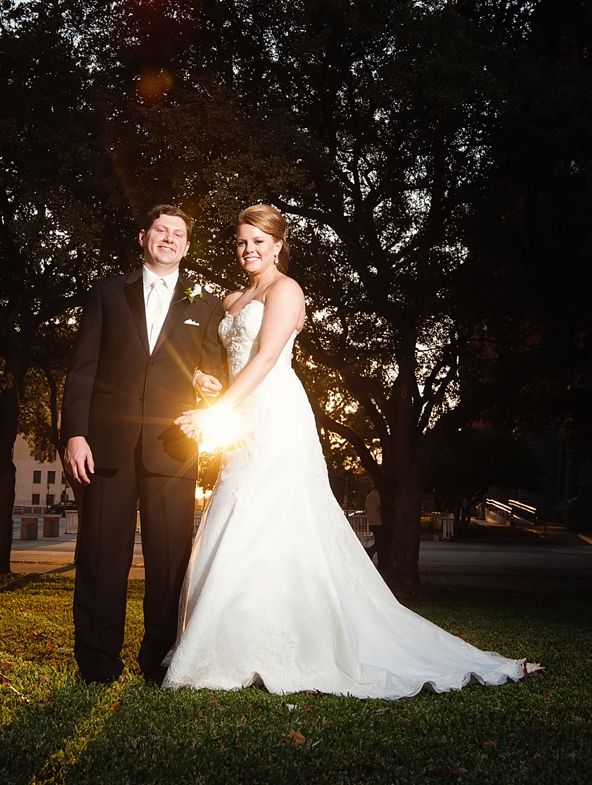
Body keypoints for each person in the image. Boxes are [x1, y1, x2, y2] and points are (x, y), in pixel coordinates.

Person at [167, 204, 536, 698]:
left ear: (278, 245)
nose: (248, 249)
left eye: (258, 241)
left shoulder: (286, 290)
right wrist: (207, 384)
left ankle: (290, 643)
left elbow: (268, 357)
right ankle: (235, 642)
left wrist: (218, 412)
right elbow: (223, 361)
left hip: (275, 415)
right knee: (238, 512)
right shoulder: (233, 298)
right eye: (241, 241)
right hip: (242, 419)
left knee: (273, 513)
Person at [61, 205, 227, 685]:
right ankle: (97, 663)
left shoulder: (206, 304)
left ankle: (160, 661)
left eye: (178, 233)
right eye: (161, 230)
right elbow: (83, 369)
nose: (169, 238)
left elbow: (213, 372)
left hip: (173, 445)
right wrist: (75, 433)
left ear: (187, 246)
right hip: (106, 446)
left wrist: (210, 388)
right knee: (100, 555)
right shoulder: (107, 293)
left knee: (170, 559)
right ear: (143, 237)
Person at [365, 488, 383, 565]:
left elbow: (366, 508)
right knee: (380, 542)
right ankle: (370, 551)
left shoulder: (368, 496)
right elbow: (379, 508)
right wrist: (382, 518)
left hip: (371, 522)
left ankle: (372, 552)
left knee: (378, 541)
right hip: (378, 522)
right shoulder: (377, 495)